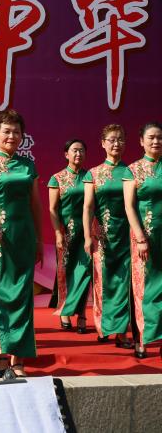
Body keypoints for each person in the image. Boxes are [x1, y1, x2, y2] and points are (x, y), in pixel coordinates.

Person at [0, 109, 43, 378]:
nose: (11, 136)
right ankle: (0, 353)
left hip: (23, 238)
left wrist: (39, 239)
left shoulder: (28, 165)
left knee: (22, 298)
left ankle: (18, 357)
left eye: (16, 132)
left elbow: (35, 205)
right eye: (6, 131)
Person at [83, 125, 133, 350]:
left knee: (123, 283)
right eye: (112, 140)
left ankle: (121, 332)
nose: (116, 144)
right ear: (103, 143)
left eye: (120, 139)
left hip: (127, 235)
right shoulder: (93, 174)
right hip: (101, 236)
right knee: (102, 282)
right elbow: (88, 207)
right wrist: (87, 236)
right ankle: (103, 327)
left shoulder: (131, 172)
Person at [123, 122, 162, 358]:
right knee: (143, 288)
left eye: (159, 137)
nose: (156, 141)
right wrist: (139, 237)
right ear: (141, 141)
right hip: (145, 237)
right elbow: (129, 206)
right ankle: (142, 339)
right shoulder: (133, 170)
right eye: (151, 137)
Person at [48, 139, 91, 333]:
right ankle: (64, 311)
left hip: (87, 232)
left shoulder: (90, 176)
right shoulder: (56, 178)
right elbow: (52, 209)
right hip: (66, 233)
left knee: (85, 273)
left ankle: (82, 314)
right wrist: (58, 232)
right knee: (65, 272)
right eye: (74, 150)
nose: (78, 154)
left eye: (81, 150)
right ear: (66, 154)